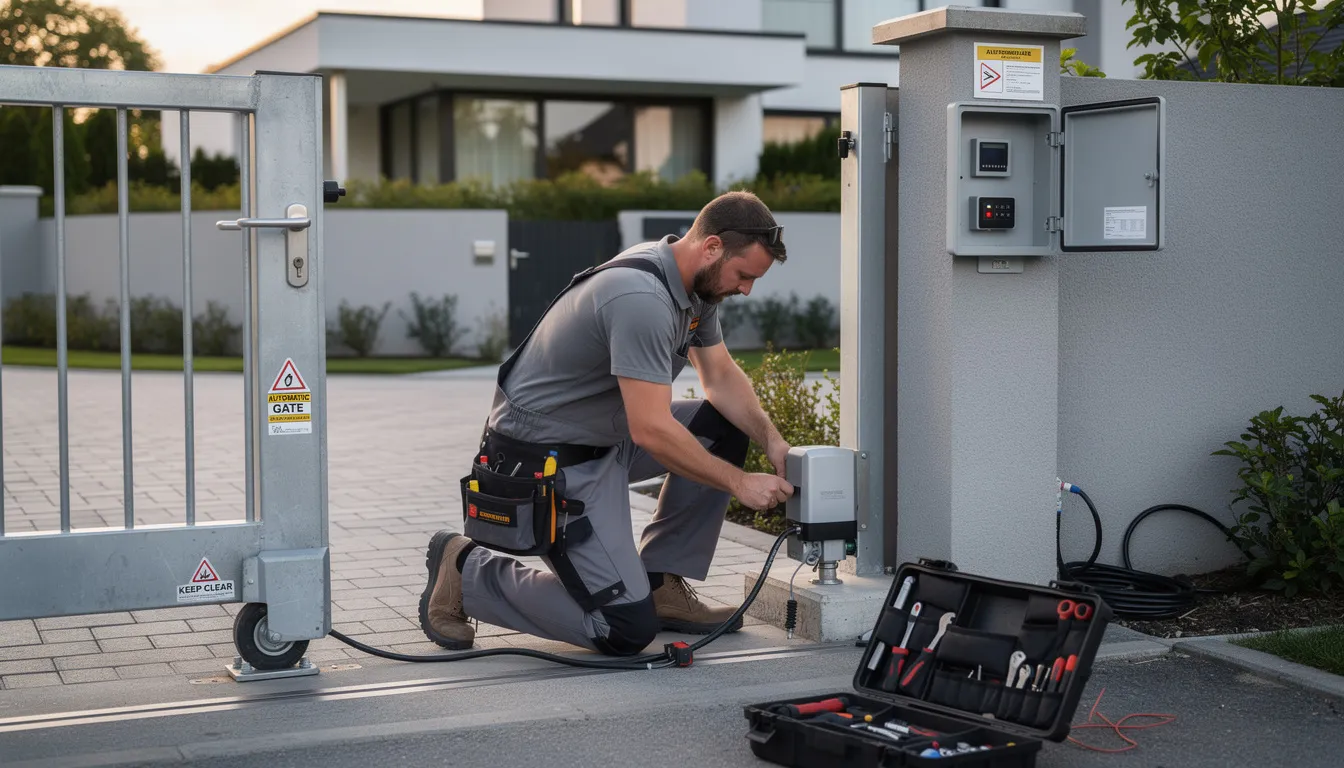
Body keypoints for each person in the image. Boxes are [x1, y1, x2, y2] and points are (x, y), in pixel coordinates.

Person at [419, 191, 796, 657]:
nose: (746, 290)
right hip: (547, 460)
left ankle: (658, 584)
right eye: (744, 276)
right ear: (713, 247)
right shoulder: (642, 299)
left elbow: (718, 376)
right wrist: (740, 483)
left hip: (605, 438)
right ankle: (466, 572)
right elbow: (652, 431)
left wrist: (773, 441)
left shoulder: (693, 285)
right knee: (622, 630)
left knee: (724, 426)